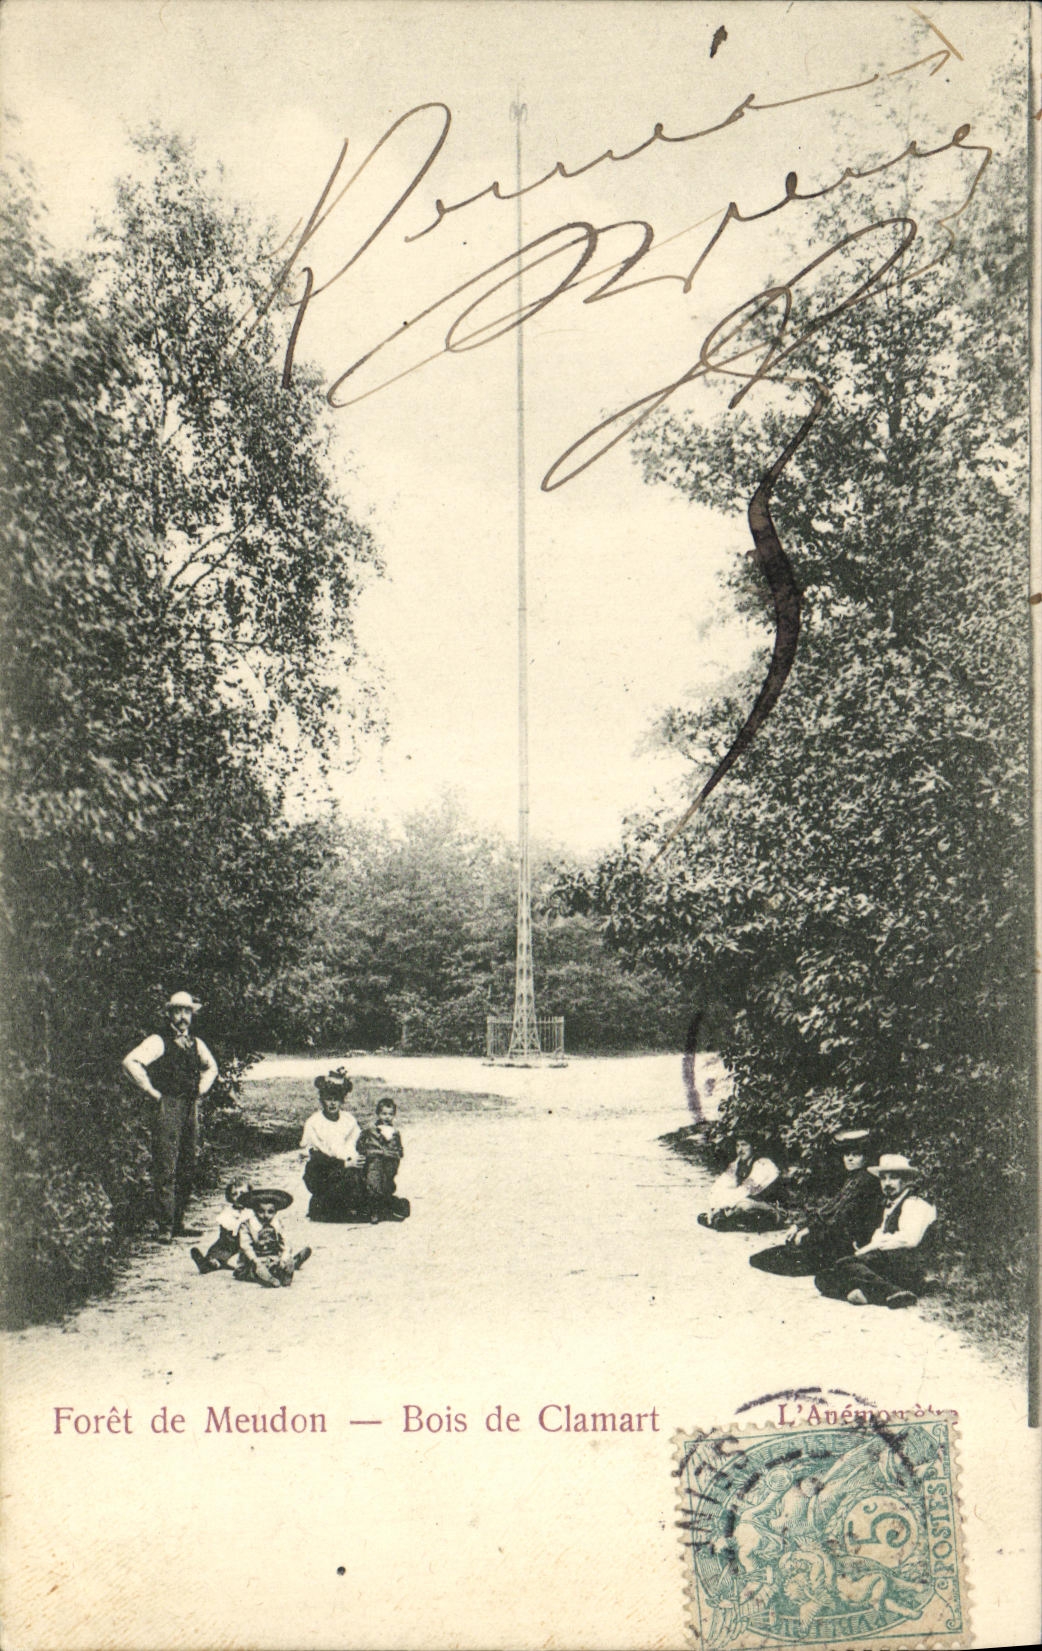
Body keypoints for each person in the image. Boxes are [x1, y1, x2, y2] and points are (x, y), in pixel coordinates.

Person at [123, 991, 219, 1243]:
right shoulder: (159, 1040)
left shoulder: (196, 1043)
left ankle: (178, 1222)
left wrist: (200, 1089)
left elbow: (211, 1067)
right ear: (169, 1014)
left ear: (192, 1015)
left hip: (189, 1106)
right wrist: (152, 1092)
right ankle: (164, 1226)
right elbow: (131, 1062)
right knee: (166, 1163)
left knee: (188, 1162)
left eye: (187, 1011)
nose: (183, 1017)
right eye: (177, 1011)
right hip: (167, 1106)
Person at [749, 1128, 883, 1275]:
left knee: (767, 1259)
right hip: (835, 1236)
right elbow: (829, 1210)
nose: (849, 1159)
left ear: (866, 1157)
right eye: (847, 1154)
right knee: (767, 1256)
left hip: (847, 1242)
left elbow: (841, 1218)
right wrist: (801, 1225)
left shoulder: (866, 1182)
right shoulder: (853, 1178)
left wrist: (810, 1230)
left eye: (855, 1155)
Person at [813, 1154, 937, 1307]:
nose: (887, 1183)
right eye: (883, 1179)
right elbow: (880, 1235)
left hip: (909, 1267)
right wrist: (867, 1250)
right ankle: (874, 1293)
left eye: (893, 1178)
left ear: (906, 1180)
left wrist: (870, 1249)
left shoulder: (914, 1203)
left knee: (846, 1264)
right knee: (823, 1277)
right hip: (890, 1263)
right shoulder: (893, 1203)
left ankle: (889, 1291)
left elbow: (909, 1239)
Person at [300, 1069, 367, 1221]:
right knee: (338, 1181)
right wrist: (344, 1164)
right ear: (322, 1100)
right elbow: (316, 1157)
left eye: (336, 1099)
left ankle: (351, 1205)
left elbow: (356, 1142)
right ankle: (326, 1205)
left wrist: (356, 1159)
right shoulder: (314, 1122)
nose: (332, 1103)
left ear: (342, 1100)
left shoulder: (348, 1120)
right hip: (325, 1170)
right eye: (328, 1099)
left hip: (348, 1165)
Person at [697, 1136, 784, 1232]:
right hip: (750, 1203)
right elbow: (720, 1184)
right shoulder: (737, 1163)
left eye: (744, 1145)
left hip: (771, 1207)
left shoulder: (763, 1164)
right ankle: (725, 1220)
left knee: (742, 1205)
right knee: (732, 1201)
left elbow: (746, 1190)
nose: (740, 1149)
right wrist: (714, 1208)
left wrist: (723, 1206)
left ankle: (726, 1220)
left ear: (753, 1146)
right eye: (737, 1145)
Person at [234, 1188, 311, 1288]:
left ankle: (287, 1270)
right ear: (254, 1211)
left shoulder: (276, 1224)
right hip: (253, 1261)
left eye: (270, 1212)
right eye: (261, 1211)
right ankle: (268, 1279)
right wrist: (256, 1262)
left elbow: (285, 1242)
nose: (266, 1215)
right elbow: (246, 1246)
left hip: (272, 1260)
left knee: (280, 1264)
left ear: (275, 1212)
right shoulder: (247, 1226)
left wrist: (285, 1256)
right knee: (255, 1271)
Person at [356, 1098, 409, 1223]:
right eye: (384, 1114)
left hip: (390, 1160)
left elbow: (399, 1147)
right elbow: (360, 1142)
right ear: (378, 1114)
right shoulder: (371, 1130)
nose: (387, 1117)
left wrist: (398, 1154)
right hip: (375, 1159)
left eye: (390, 1114)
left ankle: (384, 1209)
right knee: (374, 1182)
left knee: (387, 1182)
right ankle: (374, 1211)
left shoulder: (395, 1132)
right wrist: (365, 1153)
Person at [190, 1177, 253, 1274]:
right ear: (230, 1197)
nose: (239, 1197)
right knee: (220, 1248)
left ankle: (219, 1264)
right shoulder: (227, 1212)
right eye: (234, 1194)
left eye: (243, 1194)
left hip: (248, 1240)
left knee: (245, 1253)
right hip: (231, 1241)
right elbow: (224, 1232)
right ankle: (209, 1263)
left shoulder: (252, 1211)